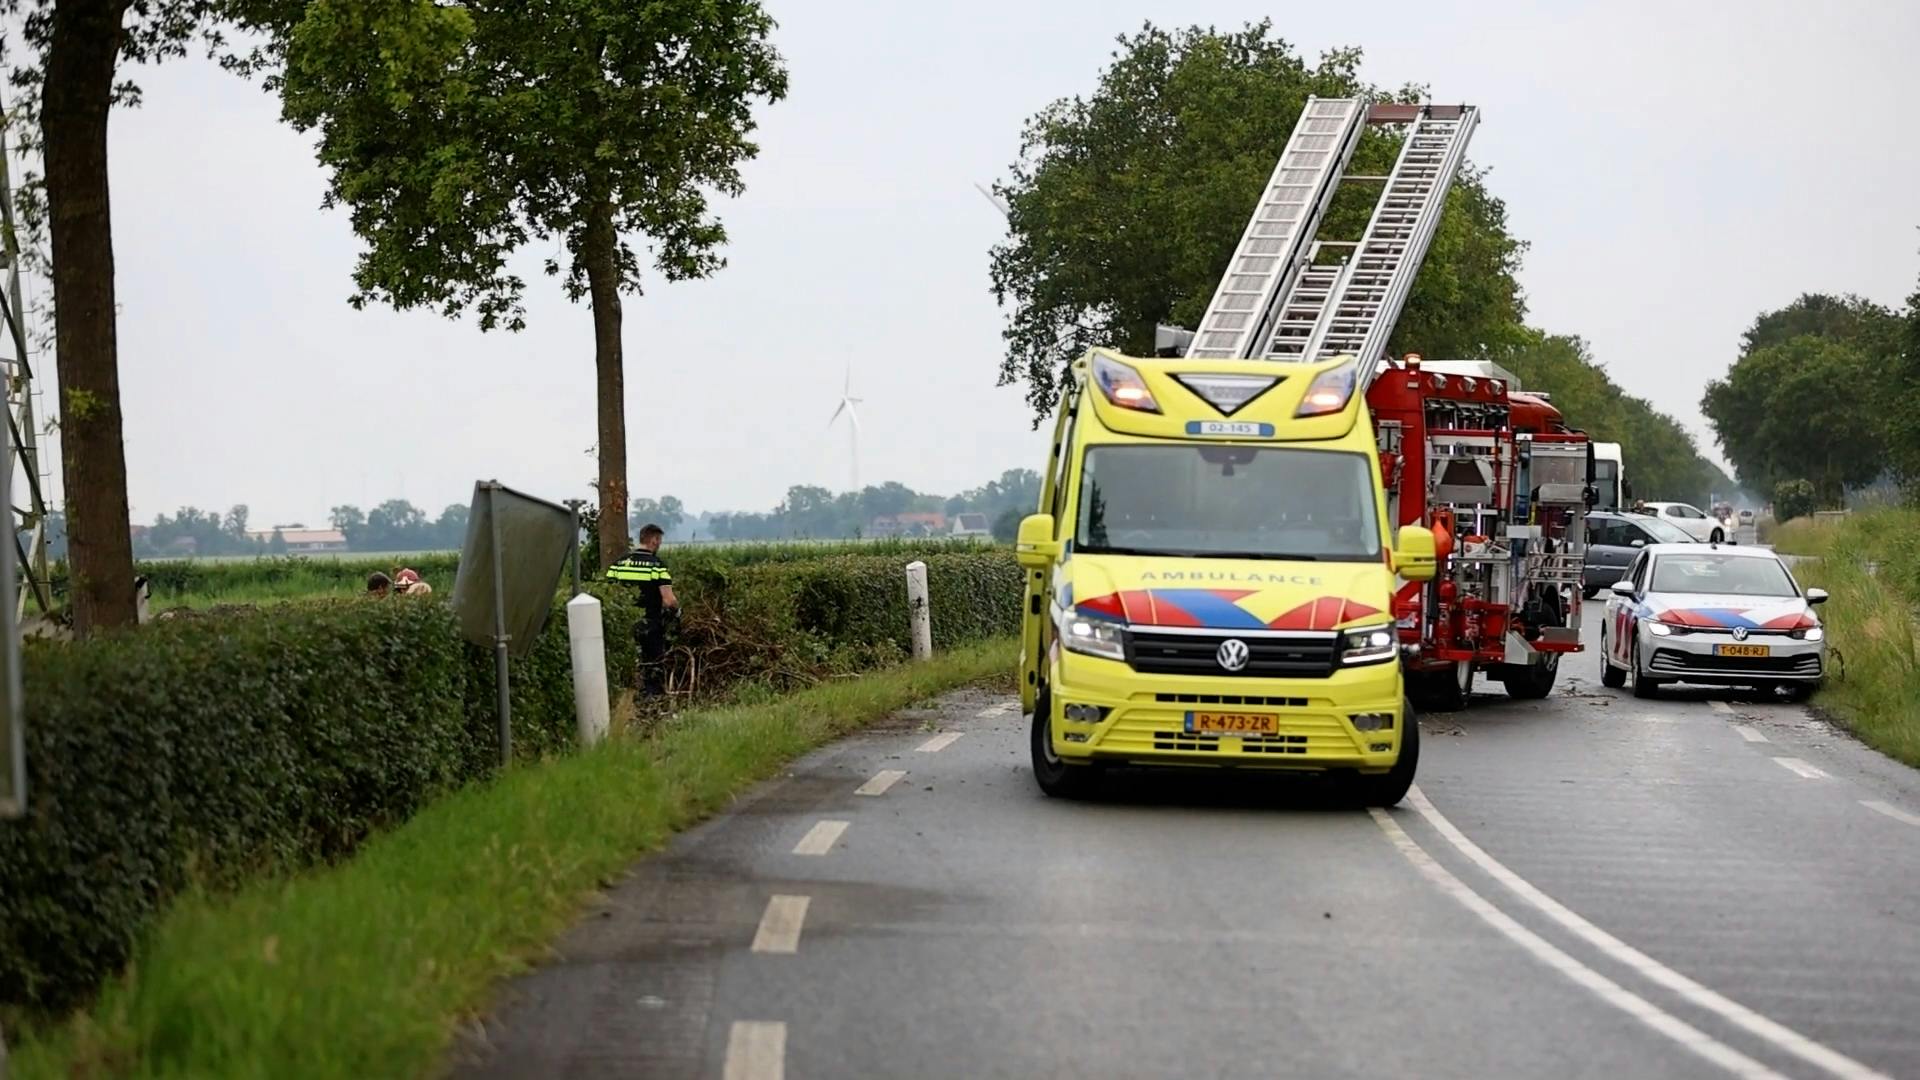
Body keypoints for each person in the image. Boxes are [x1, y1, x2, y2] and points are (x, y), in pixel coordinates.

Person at [605, 523, 680, 697]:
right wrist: (677, 612)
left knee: (627, 663)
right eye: (659, 540)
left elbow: (608, 594)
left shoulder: (619, 564)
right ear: (654, 540)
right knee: (653, 663)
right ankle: (651, 699)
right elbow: (669, 600)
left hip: (623, 625)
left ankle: (627, 697)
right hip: (650, 624)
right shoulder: (657, 566)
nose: (659, 544)